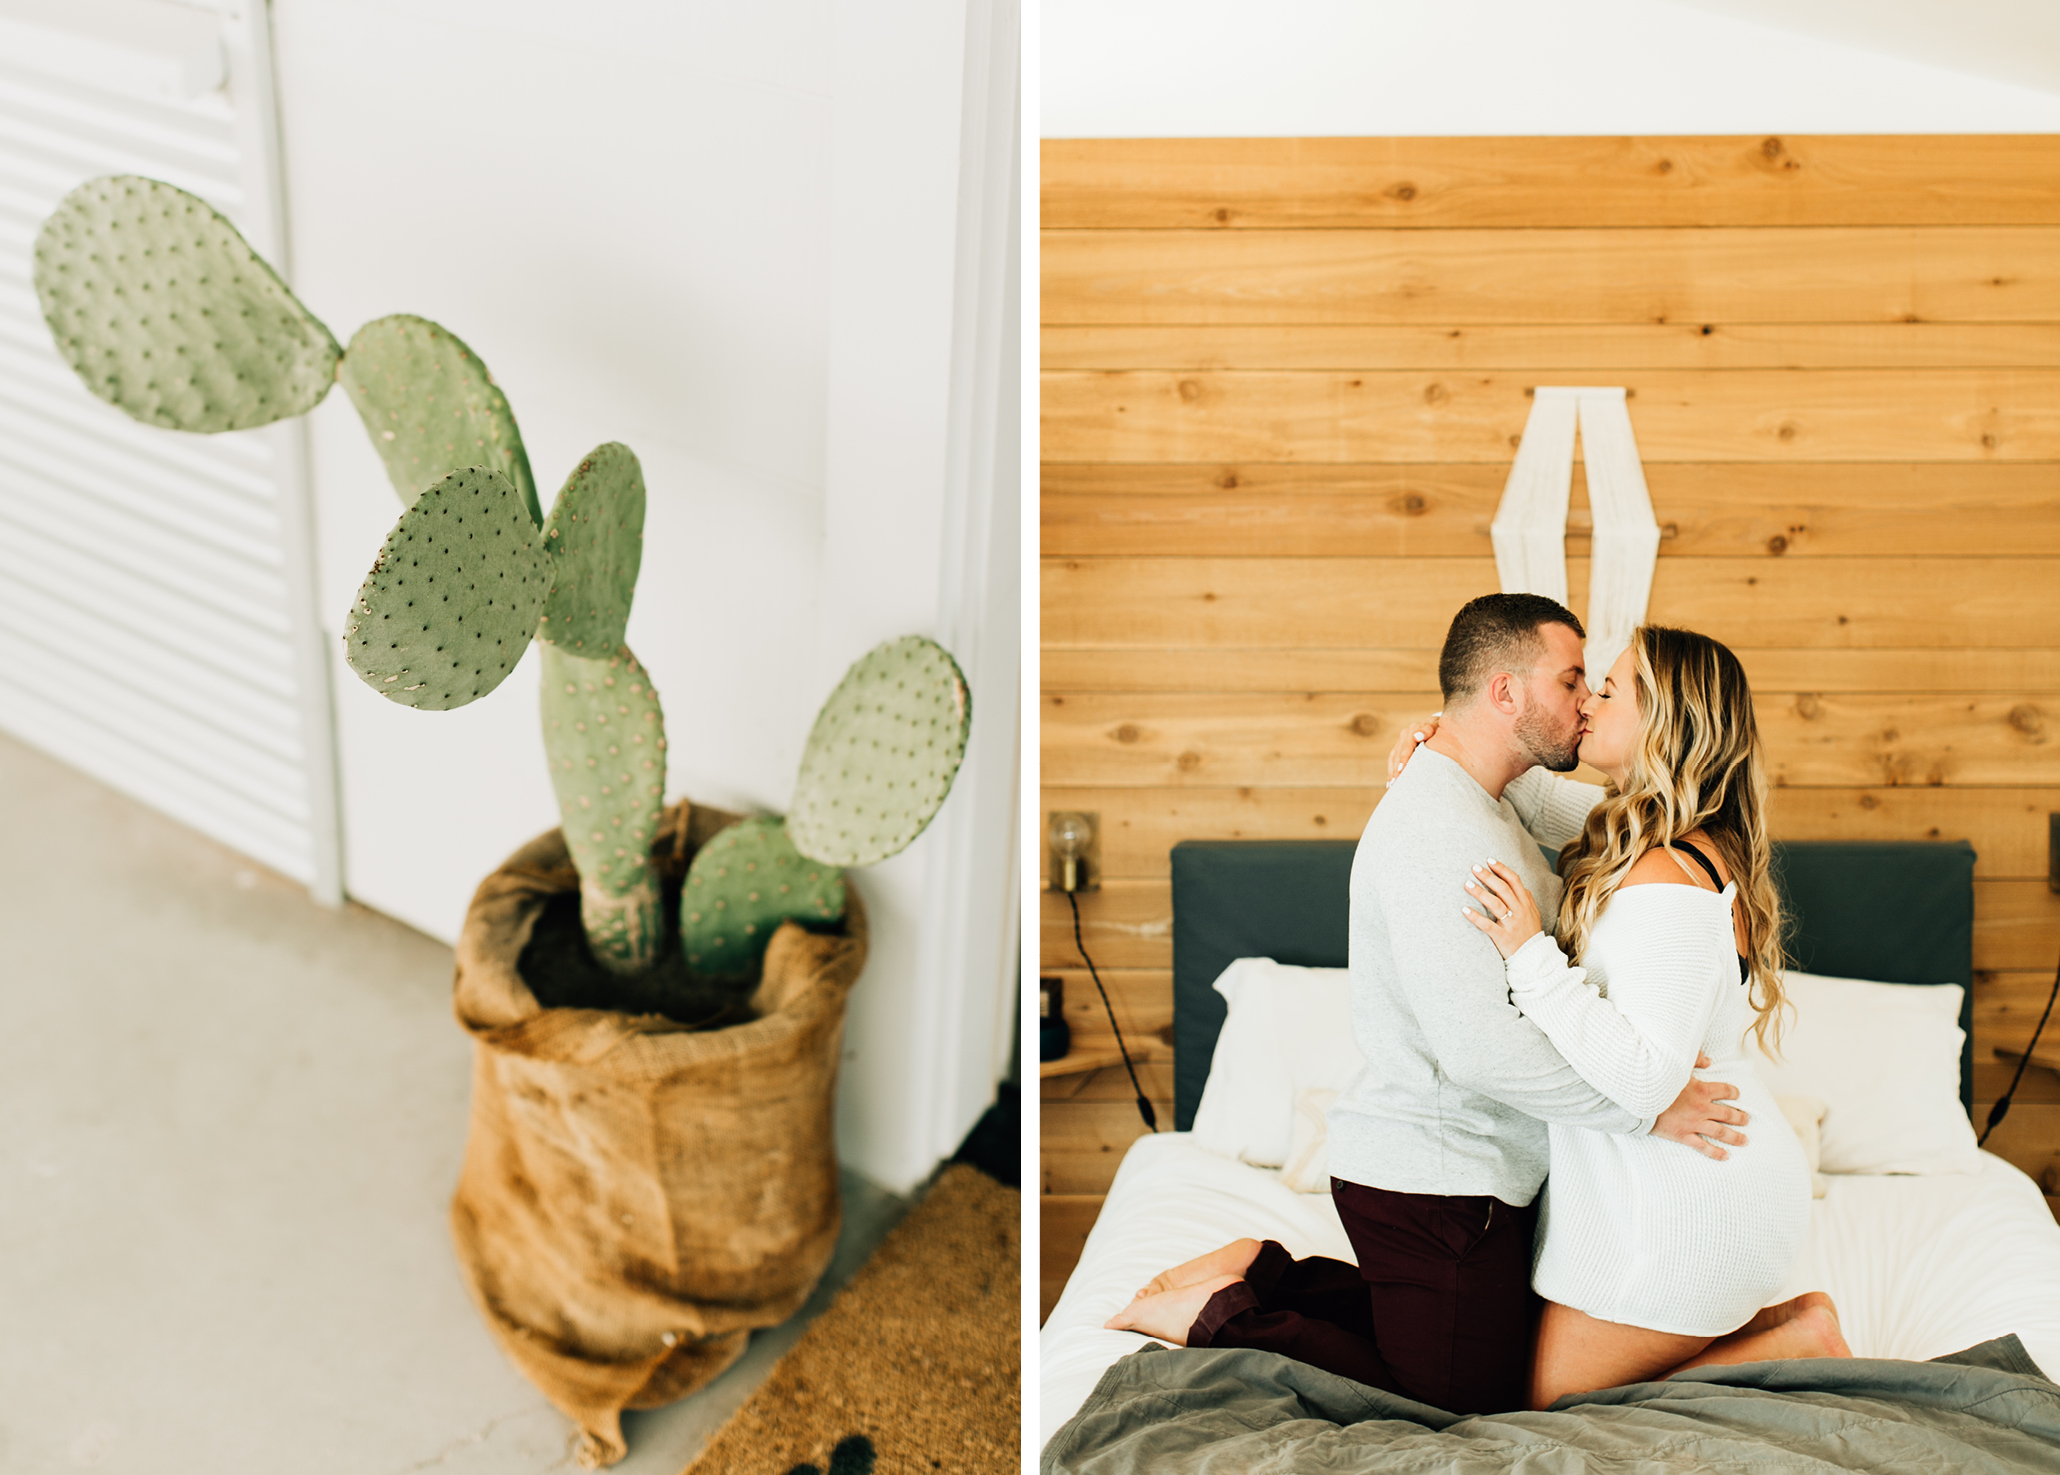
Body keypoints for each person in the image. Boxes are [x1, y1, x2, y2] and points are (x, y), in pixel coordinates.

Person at [1105, 594, 1760, 1415]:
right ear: (1506, 693)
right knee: (1459, 1408)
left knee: (1457, 1350)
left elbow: (1617, 819)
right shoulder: (1438, 830)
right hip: (1443, 1181)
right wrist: (1645, 1110)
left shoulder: (1497, 805)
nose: (1585, 702)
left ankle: (1268, 1271)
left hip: (1481, 1176)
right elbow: (1481, 1049)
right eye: (1571, 682)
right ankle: (1222, 1312)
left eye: (1601, 689)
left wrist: (1439, 739)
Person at [1456, 623, 1839, 1408]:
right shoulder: (1659, 840)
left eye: (1612, 688)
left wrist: (1530, 953)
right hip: (1704, 1180)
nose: (1590, 699)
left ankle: (1801, 1340)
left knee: (1554, 1411)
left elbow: (1645, 1074)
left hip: (1686, 1205)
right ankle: (1787, 1323)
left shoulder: (1665, 876)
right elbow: (1531, 791)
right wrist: (1447, 737)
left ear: (1668, 720)